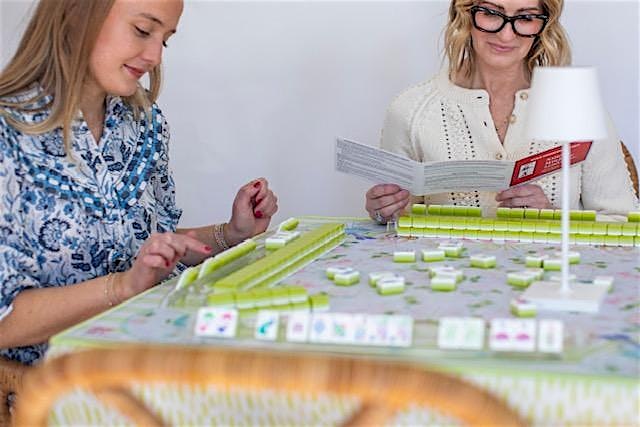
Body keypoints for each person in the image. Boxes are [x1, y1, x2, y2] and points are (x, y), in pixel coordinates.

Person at [0, 0, 278, 365]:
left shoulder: (144, 121)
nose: (154, 56)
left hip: (152, 355)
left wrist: (230, 234)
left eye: (165, 40)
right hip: (58, 384)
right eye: (143, 30)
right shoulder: (8, 135)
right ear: (76, 12)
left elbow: (150, 248)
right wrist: (122, 287)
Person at [365, 0, 638, 224]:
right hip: (448, 274)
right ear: (465, 14)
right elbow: (394, 228)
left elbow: (626, 224)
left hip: (550, 274)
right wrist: (383, 213)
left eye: (526, 17)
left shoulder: (578, 108)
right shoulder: (411, 110)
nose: (506, 35)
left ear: (544, 25)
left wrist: (552, 217)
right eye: (491, 13)